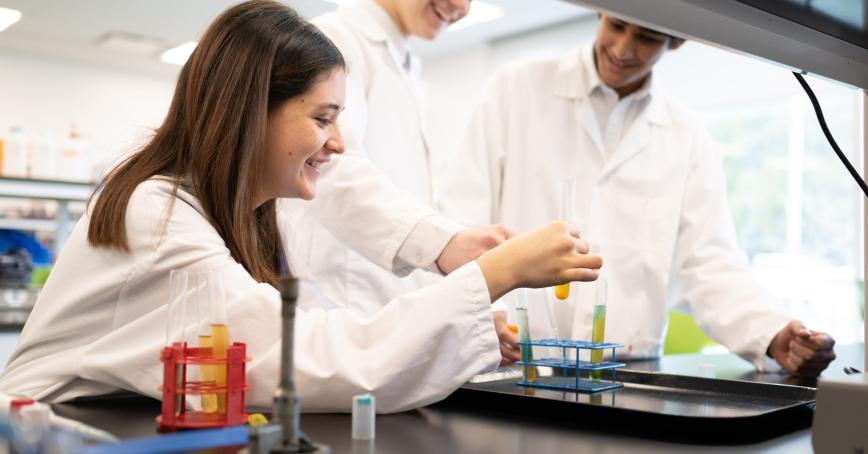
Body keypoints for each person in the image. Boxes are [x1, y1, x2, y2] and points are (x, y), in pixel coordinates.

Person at [0, 1, 602, 413]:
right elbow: (300, 360)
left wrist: (454, 324)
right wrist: (490, 274)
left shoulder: (235, 217)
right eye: (323, 119)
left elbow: (299, 335)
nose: (338, 145)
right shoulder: (156, 217)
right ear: (248, 111)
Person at [439, 14, 836, 376]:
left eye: (646, 37)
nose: (622, 48)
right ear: (598, 12)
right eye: (615, 26)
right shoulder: (517, 90)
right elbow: (463, 219)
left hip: (628, 376)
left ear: (676, 42)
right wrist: (484, 312)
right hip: (513, 362)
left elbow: (710, 266)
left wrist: (770, 332)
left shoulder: (687, 137)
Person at [282, 0, 496, 319]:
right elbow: (329, 168)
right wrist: (444, 244)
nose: (460, 6)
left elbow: (411, 207)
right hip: (340, 304)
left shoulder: (404, 61)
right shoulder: (337, 39)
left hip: (385, 308)